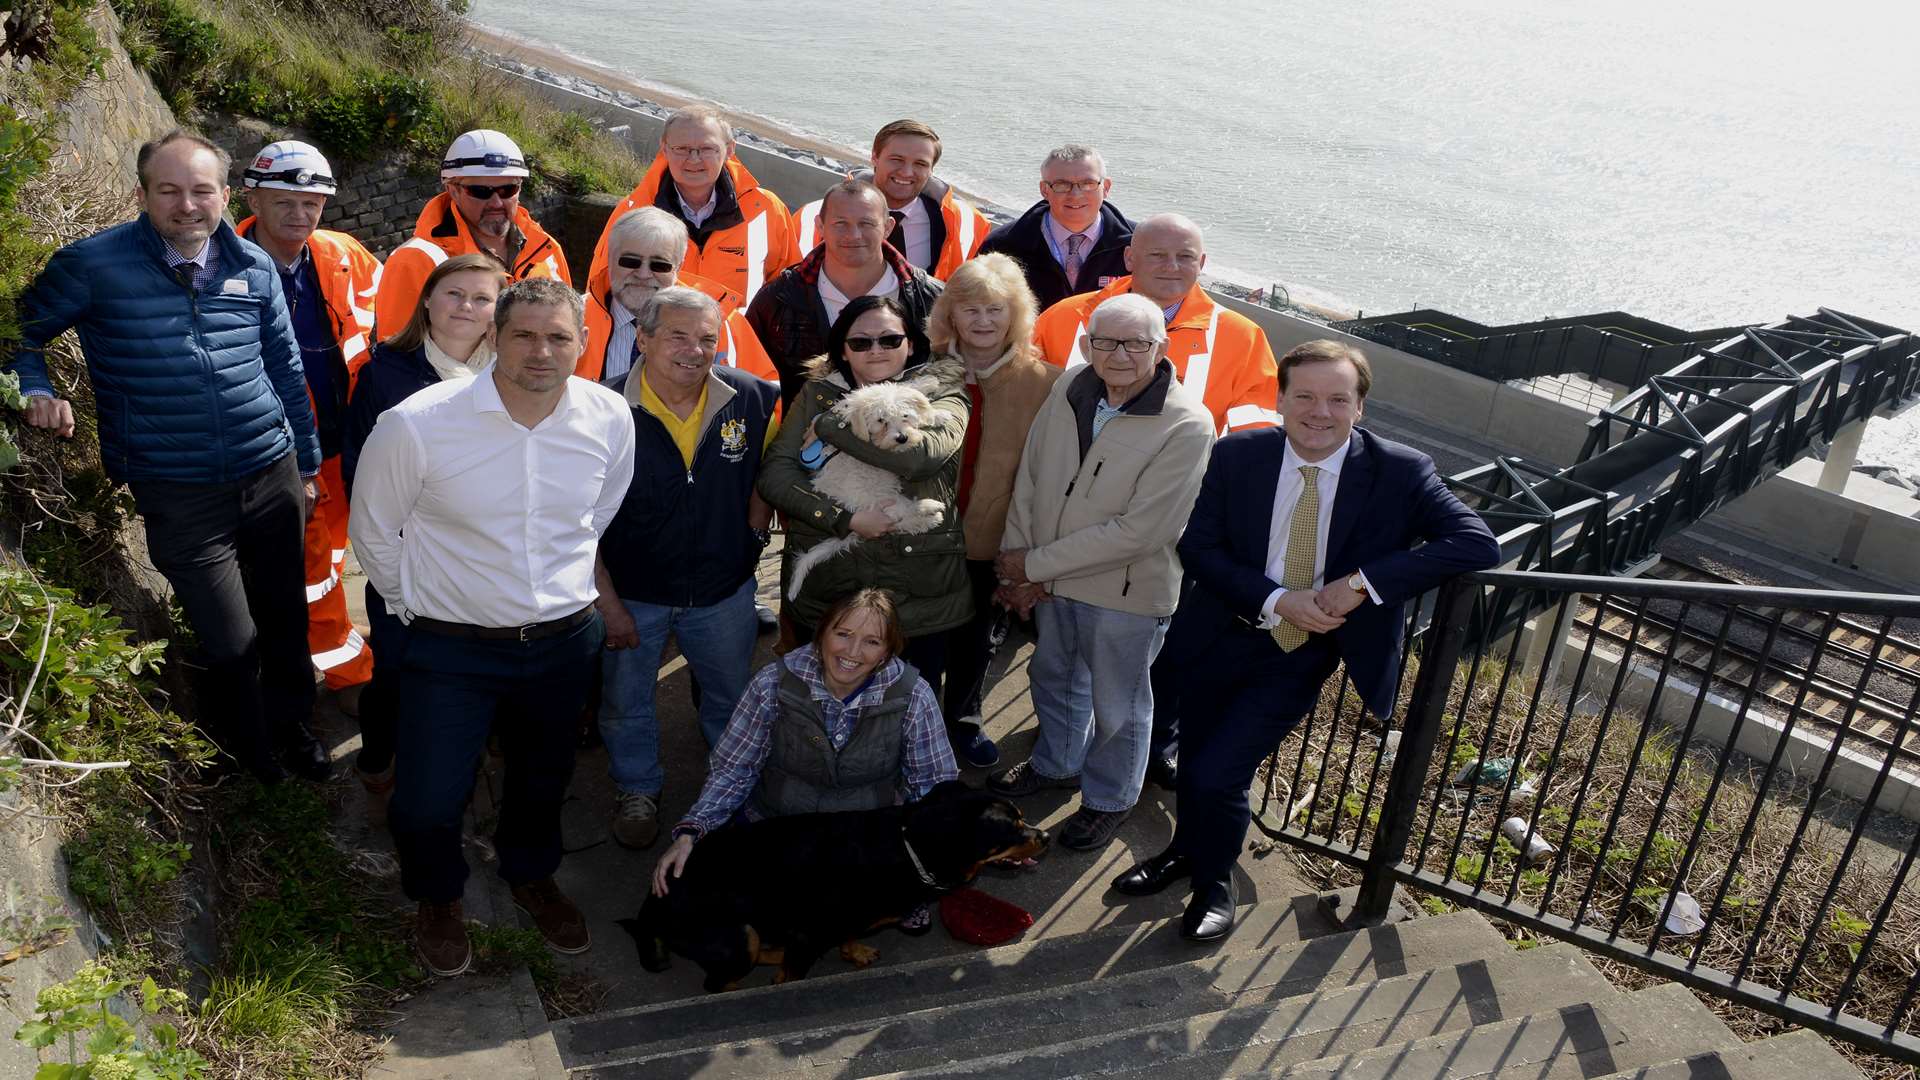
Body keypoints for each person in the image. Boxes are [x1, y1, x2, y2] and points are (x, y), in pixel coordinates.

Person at [1109, 340, 1500, 942]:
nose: (1321, 412)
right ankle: (1185, 852)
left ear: (1360, 407)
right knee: (1196, 764)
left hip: (1298, 651)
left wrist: (1362, 585)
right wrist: (1274, 598)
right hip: (1218, 632)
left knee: (1220, 772)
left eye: (1338, 399)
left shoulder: (1401, 471)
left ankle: (1216, 883)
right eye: (1306, 397)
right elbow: (1200, 548)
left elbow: (1477, 543)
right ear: (1280, 399)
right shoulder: (1239, 454)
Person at [10, 129, 326, 782]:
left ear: (225, 194)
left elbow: (285, 369)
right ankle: (250, 760)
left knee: (285, 618)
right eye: (170, 190)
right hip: (177, 489)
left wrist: (307, 464)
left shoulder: (253, 266)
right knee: (231, 642)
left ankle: (294, 726)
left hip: (271, 472)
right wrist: (35, 390)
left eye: (202, 190)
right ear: (143, 195)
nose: (188, 205)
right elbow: (21, 334)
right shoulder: (93, 266)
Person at [349, 278, 635, 975]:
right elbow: (373, 531)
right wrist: (415, 604)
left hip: (564, 642)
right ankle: (438, 896)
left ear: (584, 342)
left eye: (558, 336)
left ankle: (529, 874)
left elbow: (599, 513)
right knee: (424, 801)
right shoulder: (417, 424)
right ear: (494, 338)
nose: (541, 351)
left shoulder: (608, 417)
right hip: (449, 648)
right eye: (524, 335)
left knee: (542, 781)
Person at [987, 294, 1215, 850]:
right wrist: (1018, 565)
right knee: (1054, 676)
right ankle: (1057, 763)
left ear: (1161, 348)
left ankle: (1109, 799)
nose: (1119, 354)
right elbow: (1033, 475)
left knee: (1120, 706)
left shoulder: (1187, 424)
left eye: (1137, 343)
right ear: (1087, 343)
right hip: (1050, 576)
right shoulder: (1070, 385)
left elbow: (1141, 532)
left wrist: (1034, 564)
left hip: (1126, 592)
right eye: (1106, 341)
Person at [593, 286, 780, 850]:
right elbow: (579, 516)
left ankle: (734, 789)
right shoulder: (599, 408)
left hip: (723, 591)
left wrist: (751, 538)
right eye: (677, 335)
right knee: (626, 702)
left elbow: (769, 473)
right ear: (642, 338)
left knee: (729, 697)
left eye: (707, 338)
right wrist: (609, 604)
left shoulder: (753, 397)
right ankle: (637, 791)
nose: (694, 351)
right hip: (633, 595)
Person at [338, 252, 508, 824]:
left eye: (482, 298)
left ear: (497, 311)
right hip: (408, 554)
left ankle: (451, 770)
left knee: (468, 670)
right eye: (455, 294)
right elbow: (362, 469)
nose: (467, 307)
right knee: (398, 668)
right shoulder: (386, 372)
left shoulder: (511, 372)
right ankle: (379, 758)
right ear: (428, 301)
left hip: (482, 556)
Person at [651, 588, 959, 897]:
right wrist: (693, 830)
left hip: (866, 835)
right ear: (821, 633)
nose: (852, 651)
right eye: (843, 634)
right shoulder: (771, 683)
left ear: (888, 652)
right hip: (780, 826)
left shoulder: (914, 695)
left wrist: (925, 860)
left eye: (872, 641)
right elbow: (734, 769)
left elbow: (933, 782)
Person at [756, 296, 972, 735]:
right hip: (835, 577)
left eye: (890, 338)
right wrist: (843, 519)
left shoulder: (943, 390)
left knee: (912, 707)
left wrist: (835, 426)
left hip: (918, 584)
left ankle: (915, 794)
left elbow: (921, 458)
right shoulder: (816, 393)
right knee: (822, 710)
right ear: (843, 350)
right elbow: (776, 476)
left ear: (911, 345)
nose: (876, 349)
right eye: (861, 341)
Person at [235, 139, 383, 702]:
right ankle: (345, 673)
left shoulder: (343, 253)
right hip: (283, 448)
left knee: (340, 552)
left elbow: (386, 326)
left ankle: (337, 646)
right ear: (251, 195)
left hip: (349, 435)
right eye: (285, 202)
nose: (300, 215)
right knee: (315, 567)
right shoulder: (221, 263)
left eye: (313, 203)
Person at [921, 254, 1060, 770]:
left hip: (994, 538)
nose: (982, 322)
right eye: (970, 309)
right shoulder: (922, 368)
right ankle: (914, 721)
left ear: (1016, 314)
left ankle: (964, 717)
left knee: (975, 637)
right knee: (919, 638)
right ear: (950, 315)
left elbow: (1051, 474)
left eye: (995, 310)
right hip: (924, 535)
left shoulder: (1047, 382)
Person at [1032, 213, 1278, 437]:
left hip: (1175, 481)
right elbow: (1024, 398)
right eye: (1157, 255)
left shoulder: (1242, 338)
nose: (1171, 267)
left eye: (1185, 257)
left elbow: (1253, 434)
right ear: (1129, 258)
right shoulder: (1065, 317)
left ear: (1201, 264)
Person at [747, 179, 942, 407]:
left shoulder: (932, 299)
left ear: (888, 227)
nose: (854, 235)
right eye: (841, 223)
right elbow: (752, 384)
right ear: (820, 226)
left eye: (866, 223)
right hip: (797, 437)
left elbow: (952, 380)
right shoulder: (777, 300)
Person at [587, 106, 794, 308]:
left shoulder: (766, 209)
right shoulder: (634, 213)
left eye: (706, 149)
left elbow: (788, 289)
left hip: (736, 340)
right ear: (665, 148)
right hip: (650, 339)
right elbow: (599, 288)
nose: (694, 159)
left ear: (729, 149)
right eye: (682, 149)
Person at [375, 129, 568, 337]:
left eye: (507, 190)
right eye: (480, 191)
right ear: (453, 190)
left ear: (519, 188)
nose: (496, 203)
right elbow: (397, 358)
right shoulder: (416, 261)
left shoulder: (546, 251)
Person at [577, 206, 775, 387]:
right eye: (630, 261)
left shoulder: (724, 323)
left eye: (659, 265)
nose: (643, 274)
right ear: (609, 259)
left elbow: (766, 394)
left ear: (678, 268)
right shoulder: (572, 319)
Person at [790, 119, 989, 281]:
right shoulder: (812, 217)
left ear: (931, 170)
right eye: (897, 159)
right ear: (875, 157)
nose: (906, 172)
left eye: (920, 163)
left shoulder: (966, 224)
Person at [979, 144, 1135, 311]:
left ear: (1106, 188)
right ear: (1044, 190)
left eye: (1088, 183)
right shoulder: (1003, 245)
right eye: (1062, 184)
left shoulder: (1138, 244)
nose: (1075, 195)